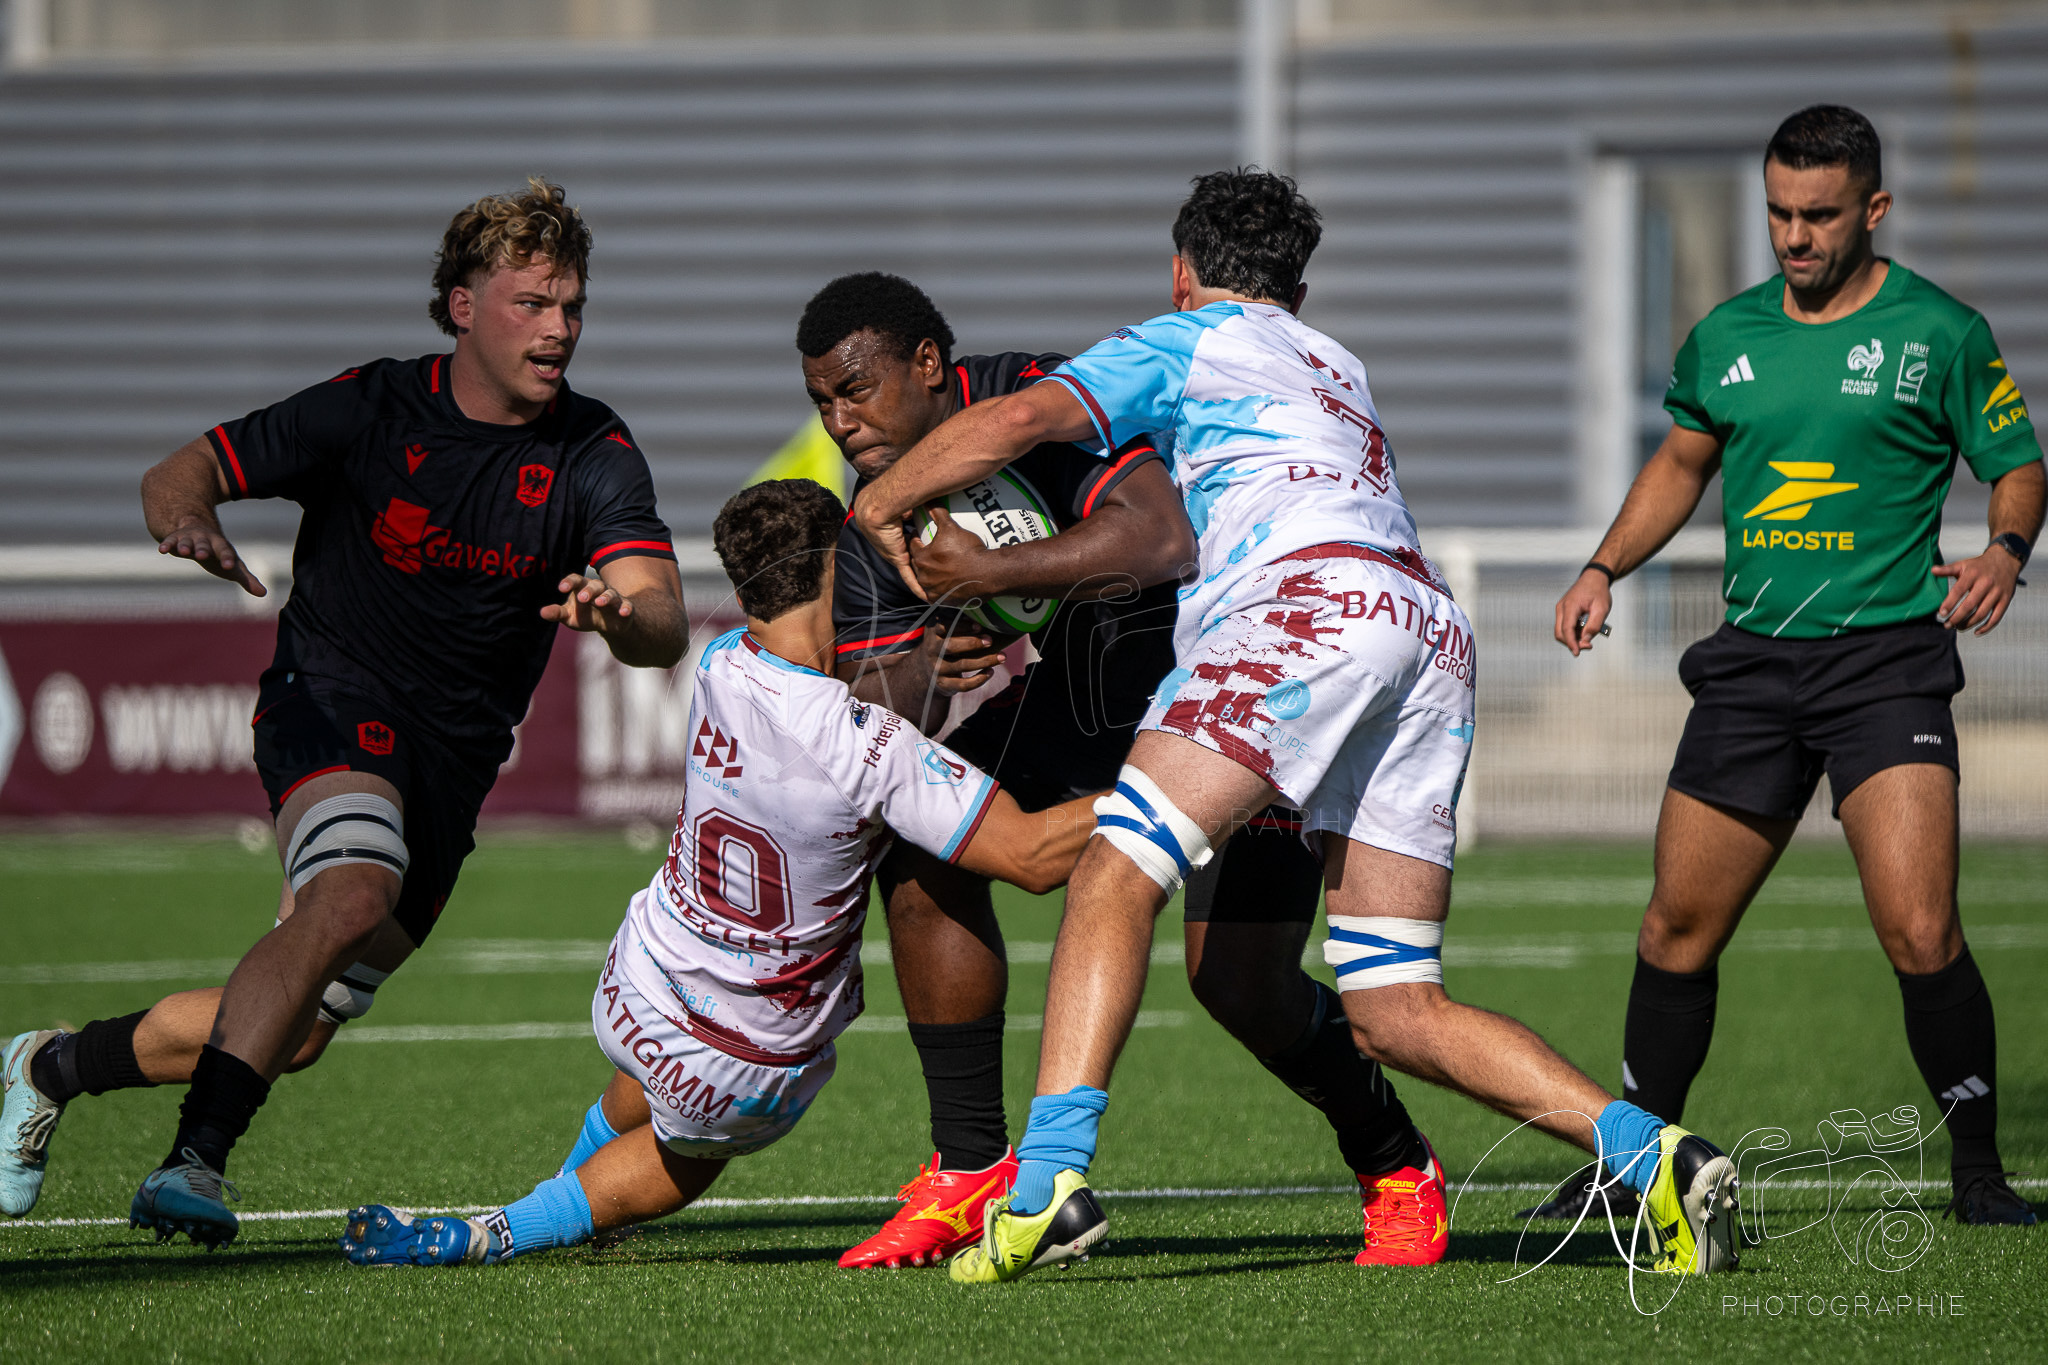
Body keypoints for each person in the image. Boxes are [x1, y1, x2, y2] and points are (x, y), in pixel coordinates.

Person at [855, 169, 1744, 1284]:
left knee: (1115, 873)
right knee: (1392, 1004)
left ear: (1183, 272)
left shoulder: (1189, 337)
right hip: (1423, 630)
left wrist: (880, 503)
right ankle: (1651, 1151)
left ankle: (1044, 1188)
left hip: (1303, 613)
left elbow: (1024, 416)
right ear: (1297, 281)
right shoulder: (1335, 359)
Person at [0, 180, 688, 1248]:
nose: (559, 328)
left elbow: (661, 618)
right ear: (462, 306)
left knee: (304, 1028)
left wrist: (620, 618)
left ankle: (47, 1064)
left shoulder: (592, 452)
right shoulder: (367, 408)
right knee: (353, 890)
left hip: (451, 768)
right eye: (532, 303)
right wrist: (189, 520)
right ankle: (195, 1162)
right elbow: (177, 471)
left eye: (573, 305)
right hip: (326, 703)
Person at [801, 273, 1440, 1269]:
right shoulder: (876, 501)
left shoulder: (1036, 400)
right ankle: (970, 1173)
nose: (841, 424)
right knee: (922, 846)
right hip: (1082, 708)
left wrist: (994, 575)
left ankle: (1395, 1164)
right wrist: (920, 668)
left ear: (928, 368)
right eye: (822, 405)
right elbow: (870, 703)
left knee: (1238, 983)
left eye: (856, 391)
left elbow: (1159, 537)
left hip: (1230, 683)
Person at [337, 478, 1099, 1267]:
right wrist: (1170, 788)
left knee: (655, 1083)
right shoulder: (870, 747)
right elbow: (1030, 854)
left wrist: (919, 664)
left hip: (642, 978)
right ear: (837, 564)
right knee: (687, 1155)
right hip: (745, 1053)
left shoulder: (721, 664)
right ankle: (495, 1231)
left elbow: (824, 707)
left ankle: (560, 1181)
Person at [1545, 105, 2042, 1228]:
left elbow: (2015, 465)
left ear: (1872, 209)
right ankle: (1629, 1166)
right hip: (1751, 670)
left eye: (1817, 215)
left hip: (1886, 665)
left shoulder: (1940, 332)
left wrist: (2004, 551)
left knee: (1919, 931)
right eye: (1776, 212)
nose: (1791, 236)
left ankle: (1977, 1172)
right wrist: (1600, 568)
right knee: (1674, 928)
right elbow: (1679, 462)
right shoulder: (1724, 335)